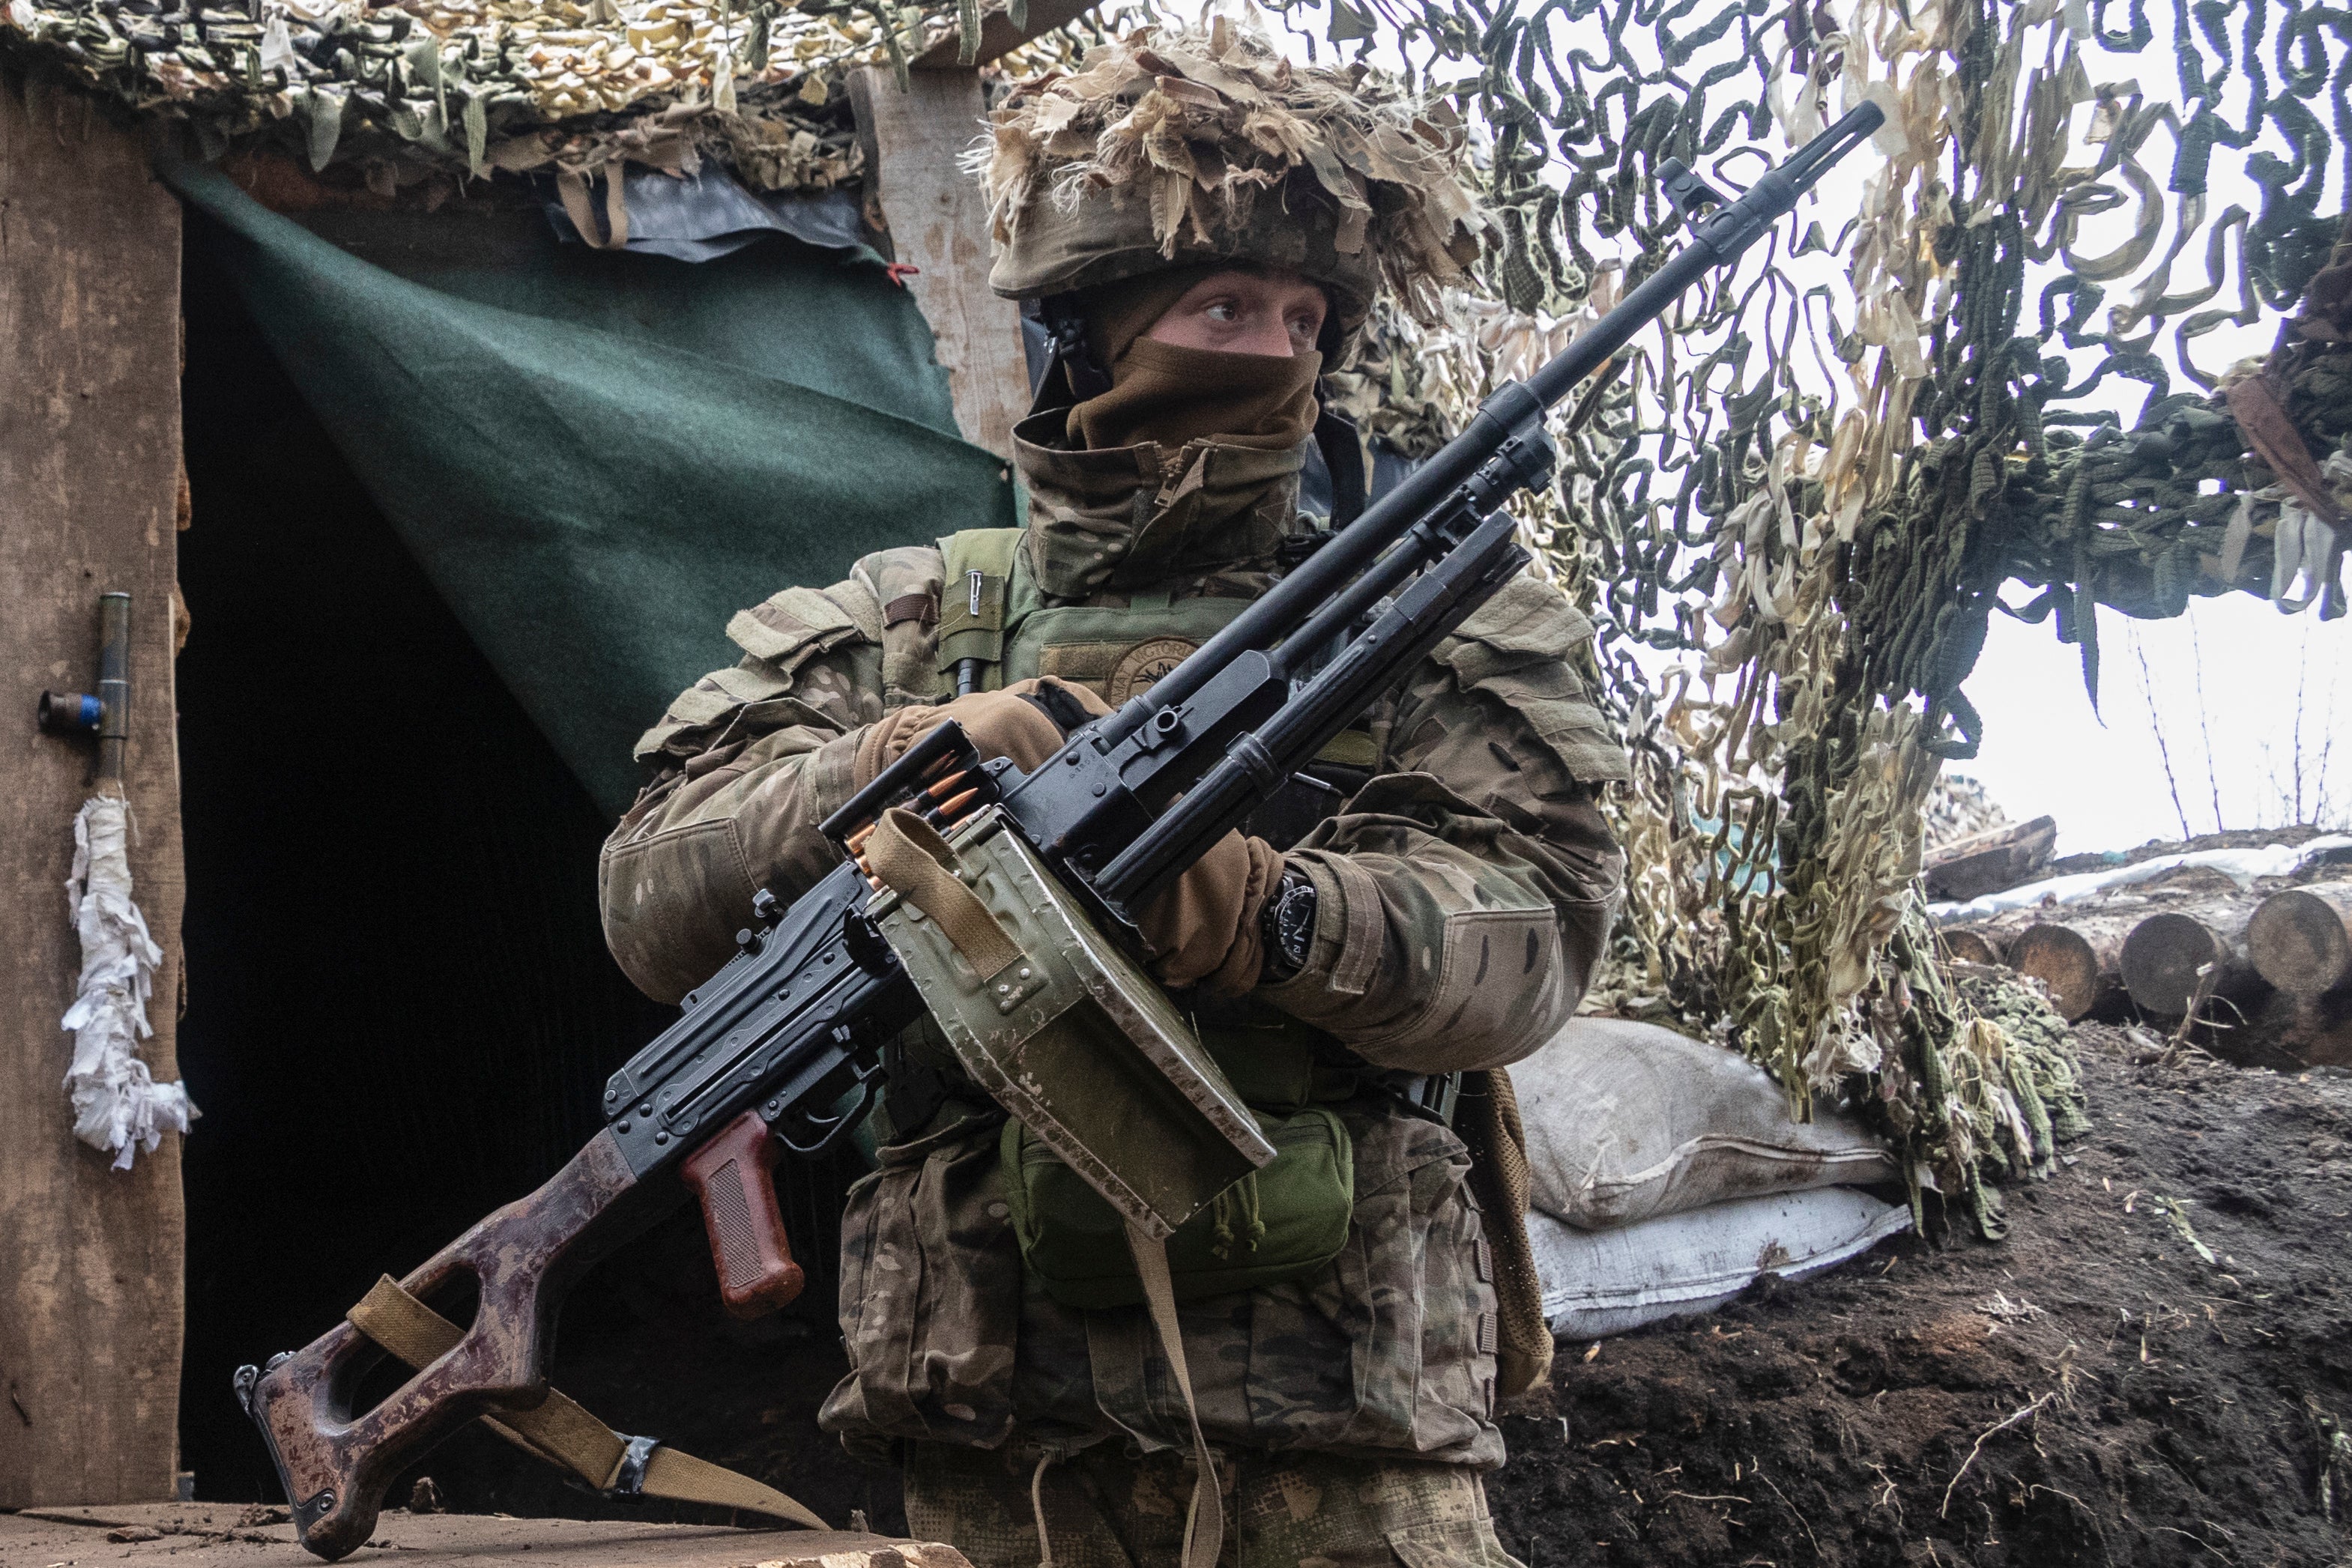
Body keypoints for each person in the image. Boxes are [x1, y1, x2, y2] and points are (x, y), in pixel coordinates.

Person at [598, 20, 1627, 1568]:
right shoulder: (905, 626)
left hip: (1344, 1445)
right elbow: (649, 895)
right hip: (991, 1442)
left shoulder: (1439, 620)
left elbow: (1534, 944)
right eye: (1221, 304)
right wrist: (885, 771)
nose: (1273, 353)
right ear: (1086, 325)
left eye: (1305, 313)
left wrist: (1270, 917)